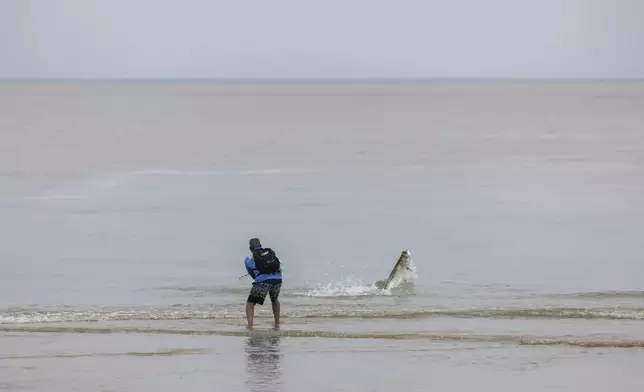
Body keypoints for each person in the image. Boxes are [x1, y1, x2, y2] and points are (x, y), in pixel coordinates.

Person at [244, 237, 282, 329]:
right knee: (274, 299)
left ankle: (250, 326)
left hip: (263, 280)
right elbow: (280, 267)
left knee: (250, 304)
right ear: (260, 245)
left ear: (250, 248)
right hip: (278, 278)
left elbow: (253, 275)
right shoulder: (270, 253)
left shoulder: (249, 259)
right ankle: (277, 323)